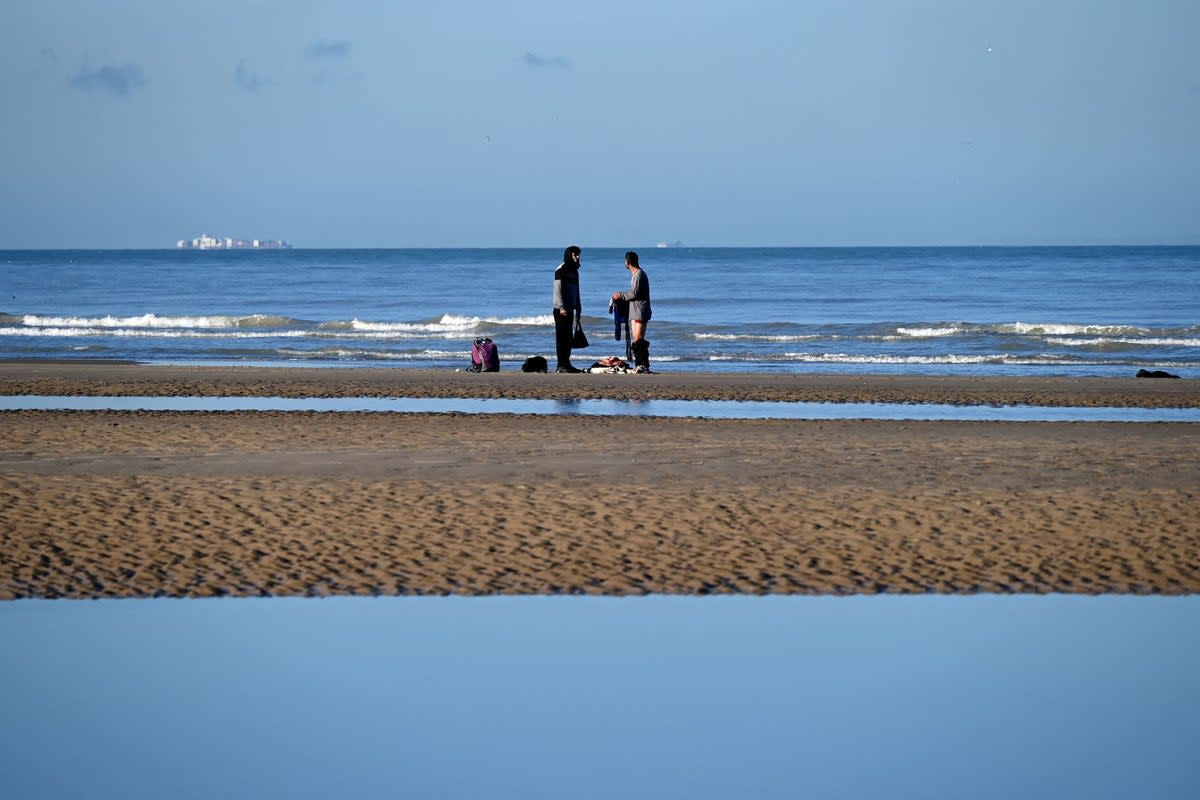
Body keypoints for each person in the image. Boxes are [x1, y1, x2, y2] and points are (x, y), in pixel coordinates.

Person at [611, 250, 652, 372]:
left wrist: (620, 295)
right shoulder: (635, 275)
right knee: (636, 339)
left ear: (628, 262)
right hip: (635, 310)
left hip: (640, 310)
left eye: (625, 261)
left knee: (639, 339)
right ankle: (639, 364)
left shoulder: (639, 275)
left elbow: (634, 293)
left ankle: (643, 364)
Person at [552, 245, 583, 373]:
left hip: (570, 308)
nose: (578, 257)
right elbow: (558, 290)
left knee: (568, 337)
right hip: (561, 310)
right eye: (575, 255)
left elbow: (576, 290)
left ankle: (567, 363)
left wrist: (578, 306)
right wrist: (562, 307)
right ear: (569, 255)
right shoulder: (561, 269)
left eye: (578, 255)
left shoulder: (575, 271)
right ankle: (561, 365)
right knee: (561, 338)